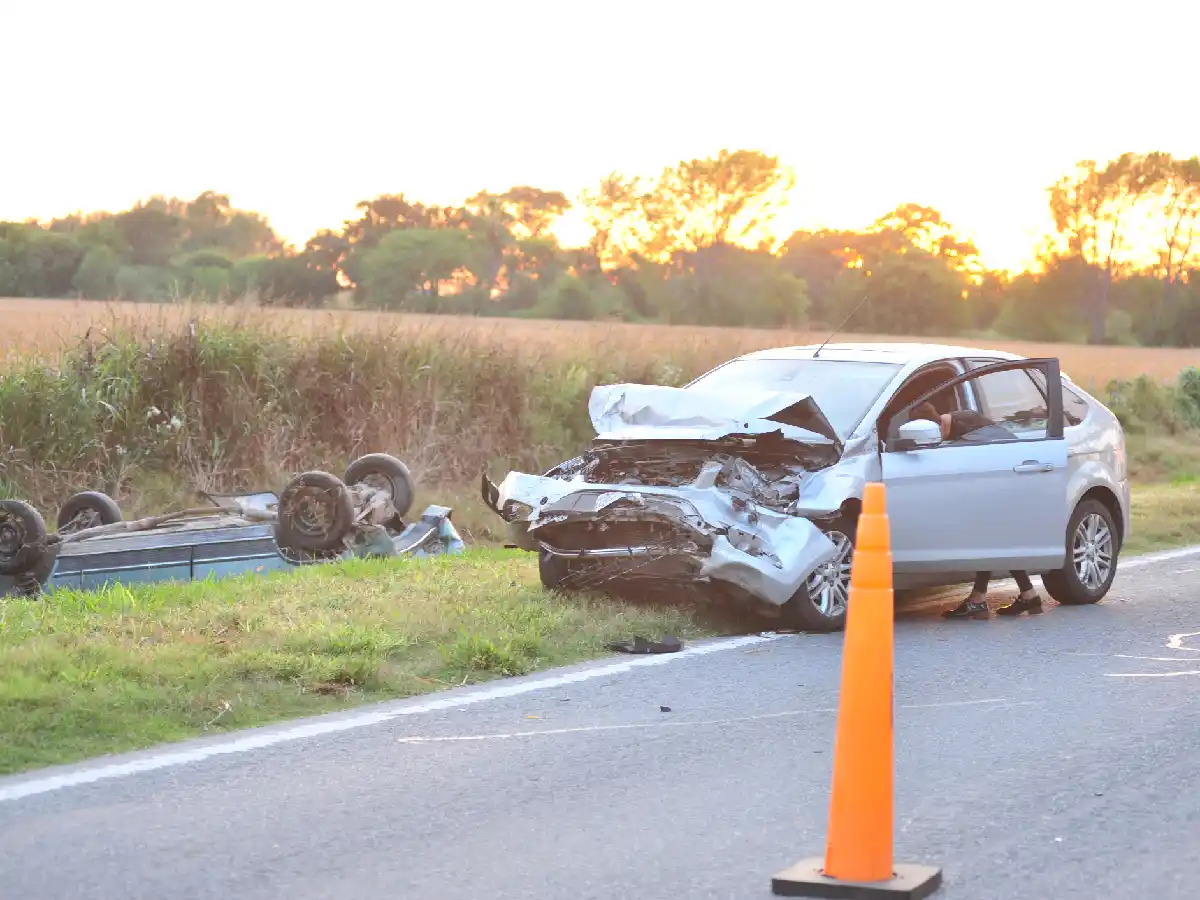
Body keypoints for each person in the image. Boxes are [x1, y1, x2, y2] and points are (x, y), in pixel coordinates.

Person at [907, 402, 1044, 620]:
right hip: (994, 486)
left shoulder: (969, 426)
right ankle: (1023, 595)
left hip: (1005, 483)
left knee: (993, 539)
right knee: (994, 540)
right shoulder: (958, 426)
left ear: (938, 424)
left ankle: (982, 600)